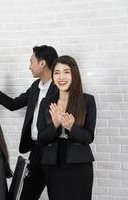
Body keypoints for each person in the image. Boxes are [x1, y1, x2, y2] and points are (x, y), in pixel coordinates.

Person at [0, 45, 58, 200]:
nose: (29, 66)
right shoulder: (35, 87)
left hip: (54, 151)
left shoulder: (60, 88)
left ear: (42, 63)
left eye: (31, 61)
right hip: (37, 150)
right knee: (27, 195)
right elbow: (14, 104)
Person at [37, 55, 96, 200]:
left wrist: (71, 127)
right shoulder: (46, 102)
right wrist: (56, 125)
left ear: (74, 74)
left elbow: (89, 137)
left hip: (80, 166)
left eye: (66, 72)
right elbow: (41, 139)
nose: (61, 77)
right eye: (57, 72)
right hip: (53, 166)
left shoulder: (87, 100)